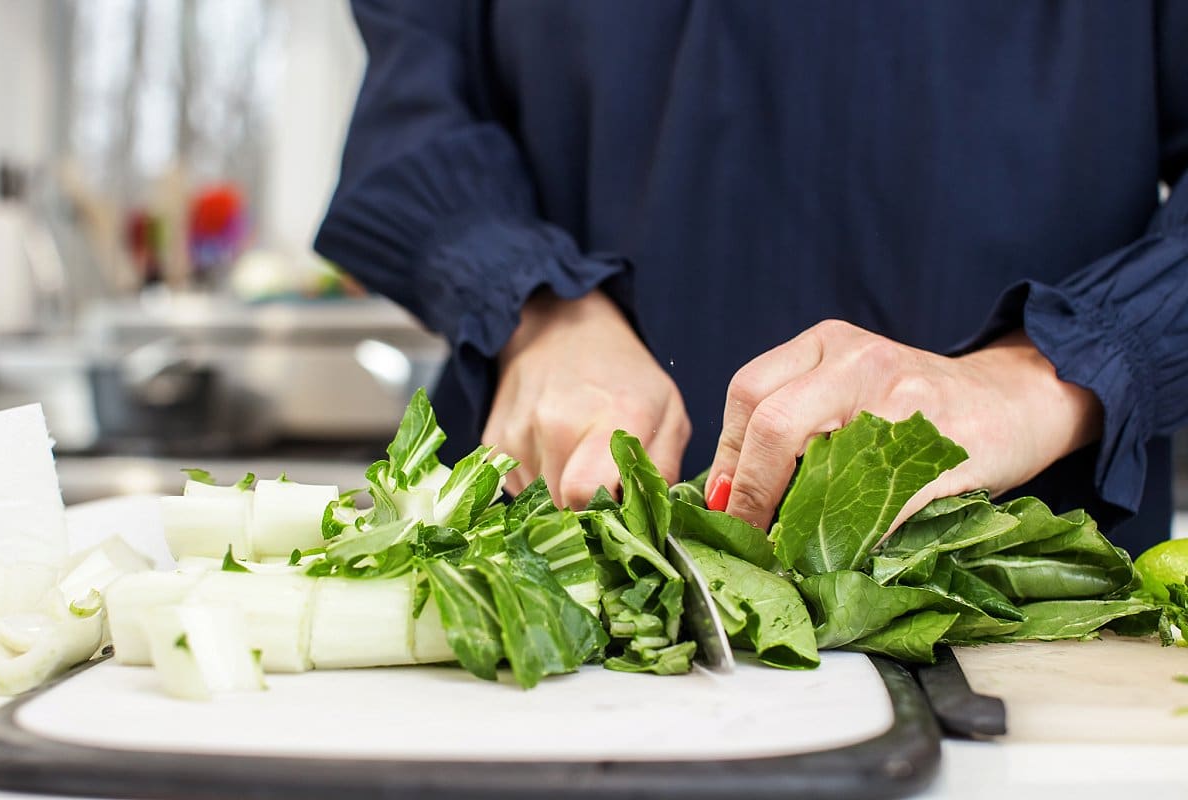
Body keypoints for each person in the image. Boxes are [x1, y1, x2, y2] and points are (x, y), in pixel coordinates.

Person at [316, 1, 1188, 557]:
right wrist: (538, 308)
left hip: (1012, 587)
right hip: (550, 559)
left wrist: (1057, 371)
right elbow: (413, 116)